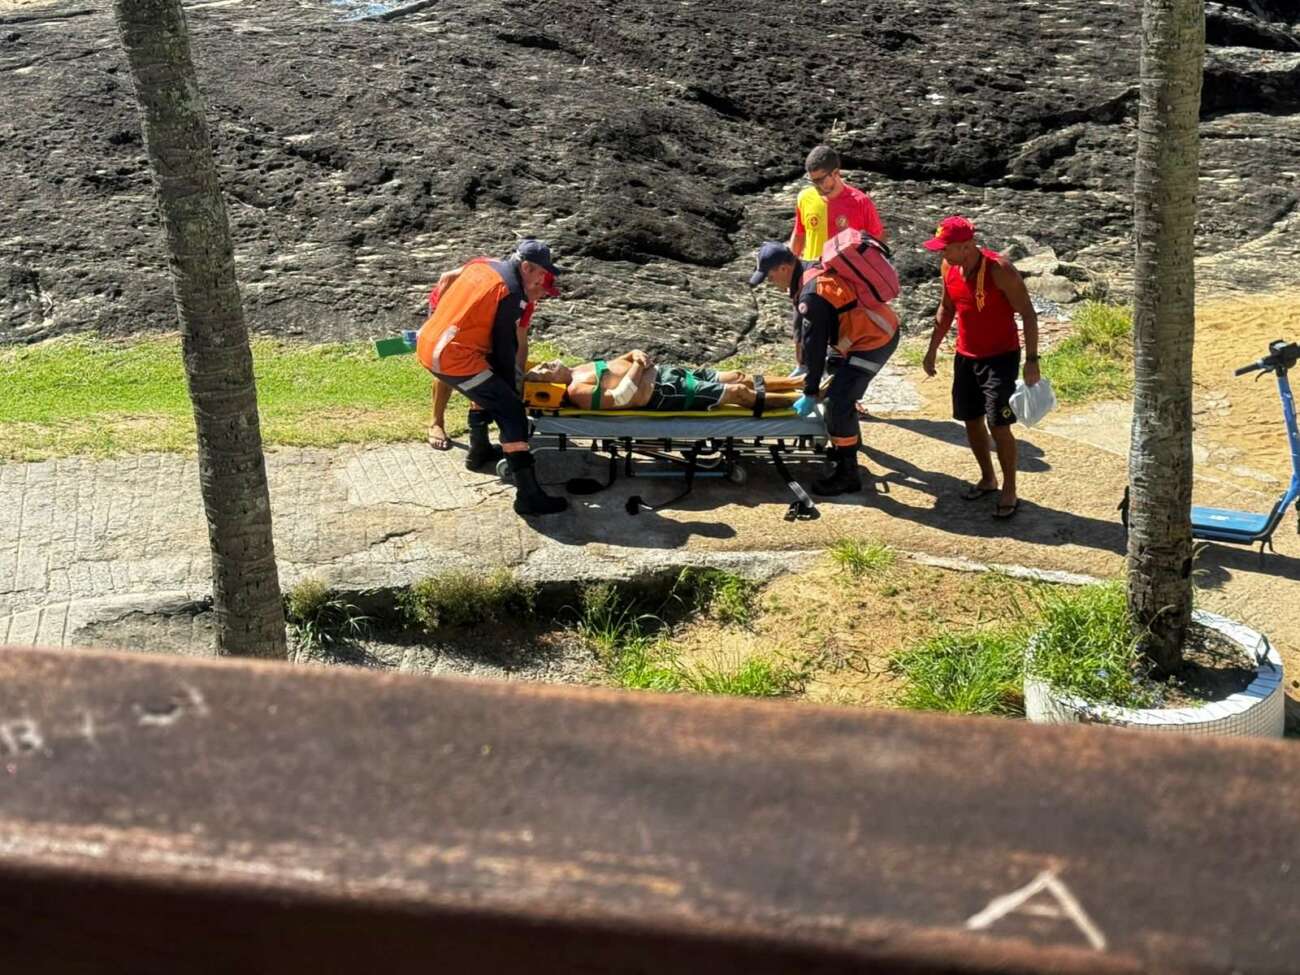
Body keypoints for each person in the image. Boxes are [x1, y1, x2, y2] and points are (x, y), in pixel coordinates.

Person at [415, 238, 567, 516]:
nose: (545, 278)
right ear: (526, 267)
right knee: (510, 411)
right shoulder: (509, 292)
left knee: (487, 389)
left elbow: (449, 280)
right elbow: (504, 347)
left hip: (430, 343)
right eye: (541, 272)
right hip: (452, 357)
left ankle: (479, 451)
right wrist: (512, 393)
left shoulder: (486, 266)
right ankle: (528, 496)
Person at [749, 241, 900, 496]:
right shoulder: (808, 271)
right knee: (837, 385)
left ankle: (848, 473)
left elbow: (815, 345)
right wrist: (810, 374)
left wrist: (809, 391)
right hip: (860, 336)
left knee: (837, 403)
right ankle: (847, 443)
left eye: (770, 276)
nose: (769, 282)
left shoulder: (812, 294)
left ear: (785, 268)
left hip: (874, 340)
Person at [920, 216, 1040, 520]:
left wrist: (1032, 360)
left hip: (1001, 357)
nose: (941, 254)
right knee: (970, 420)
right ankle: (988, 479)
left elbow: (1027, 313)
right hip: (966, 356)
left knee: (999, 425)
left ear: (967, 246)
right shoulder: (948, 267)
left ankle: (1009, 488)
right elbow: (946, 308)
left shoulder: (1000, 269)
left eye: (946, 248)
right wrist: (932, 349)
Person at [787, 144, 887, 417]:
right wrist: (791, 273)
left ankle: (846, 396)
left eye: (822, 179)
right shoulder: (805, 198)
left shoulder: (860, 202)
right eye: (812, 180)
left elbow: (876, 241)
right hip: (810, 274)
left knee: (844, 341)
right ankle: (806, 388)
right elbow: (798, 234)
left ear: (837, 173)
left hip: (845, 280)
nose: (817, 185)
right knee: (804, 337)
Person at [425, 257, 555, 451]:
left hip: (482, 315)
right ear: (530, 278)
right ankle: (436, 422)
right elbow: (446, 277)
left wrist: (516, 377)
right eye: (542, 289)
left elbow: (520, 341)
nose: (544, 295)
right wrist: (440, 317)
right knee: (448, 359)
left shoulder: (525, 301)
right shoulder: (491, 271)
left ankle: (479, 445)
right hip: (453, 307)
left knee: (482, 372)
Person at [524, 352, 804, 411]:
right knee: (738, 392)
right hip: (664, 392)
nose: (544, 365)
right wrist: (637, 365)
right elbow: (621, 397)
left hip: (668, 372)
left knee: (738, 376)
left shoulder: (578, 367)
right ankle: (797, 403)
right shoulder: (576, 391)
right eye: (541, 372)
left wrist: (633, 354)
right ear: (548, 386)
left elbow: (616, 364)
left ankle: (800, 382)